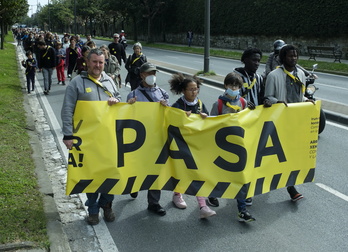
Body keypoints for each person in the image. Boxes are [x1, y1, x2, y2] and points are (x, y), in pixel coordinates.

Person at [61, 48, 121, 225]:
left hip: (109, 139)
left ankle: (107, 204)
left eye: (101, 62)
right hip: (86, 141)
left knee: (112, 174)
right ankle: (93, 210)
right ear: (87, 62)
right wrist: (68, 135)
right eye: (94, 62)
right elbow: (67, 109)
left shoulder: (109, 81)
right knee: (90, 176)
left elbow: (119, 100)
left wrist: (116, 101)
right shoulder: (76, 83)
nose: (98, 65)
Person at [168, 73, 217, 219]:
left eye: (196, 89)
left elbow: (208, 123)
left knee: (197, 173)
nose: (194, 92)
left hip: (197, 146)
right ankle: (177, 194)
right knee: (181, 171)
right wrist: (181, 118)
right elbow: (170, 122)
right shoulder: (177, 105)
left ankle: (202, 206)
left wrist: (205, 118)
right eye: (190, 89)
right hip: (181, 145)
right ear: (183, 90)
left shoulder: (200, 104)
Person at [264, 44, 308, 202]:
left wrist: (306, 101)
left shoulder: (301, 74)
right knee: (278, 156)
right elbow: (267, 97)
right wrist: (278, 101)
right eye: (290, 56)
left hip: (296, 122)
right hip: (279, 123)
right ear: (283, 58)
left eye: (295, 55)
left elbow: (299, 95)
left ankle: (290, 186)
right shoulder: (274, 76)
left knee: (291, 155)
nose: (294, 58)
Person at [211, 72, 256, 222]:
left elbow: (249, 122)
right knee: (219, 174)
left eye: (237, 86)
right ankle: (212, 194)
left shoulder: (243, 103)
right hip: (221, 146)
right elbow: (210, 125)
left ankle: (242, 209)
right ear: (226, 85)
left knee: (240, 176)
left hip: (238, 146)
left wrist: (252, 111)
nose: (234, 88)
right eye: (231, 85)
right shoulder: (218, 104)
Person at [127, 62, 169, 216]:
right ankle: (134, 186)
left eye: (154, 73)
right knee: (138, 167)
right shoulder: (133, 95)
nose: (152, 76)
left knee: (155, 170)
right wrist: (129, 106)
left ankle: (154, 202)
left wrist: (166, 107)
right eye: (149, 73)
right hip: (139, 140)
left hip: (157, 138)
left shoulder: (163, 93)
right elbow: (127, 117)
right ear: (142, 75)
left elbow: (169, 115)